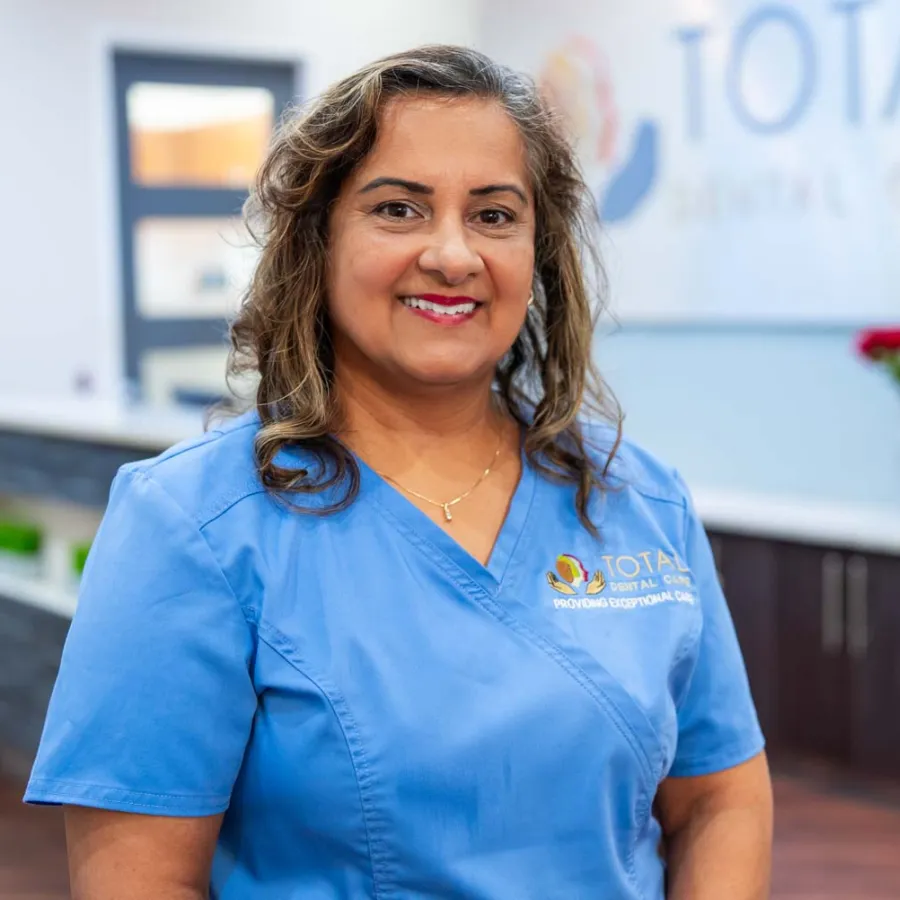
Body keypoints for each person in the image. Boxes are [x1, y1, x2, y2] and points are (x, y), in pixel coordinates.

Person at [25, 45, 773, 899]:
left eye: (494, 215)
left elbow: (721, 799)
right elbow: (142, 883)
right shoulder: (193, 523)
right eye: (399, 209)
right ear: (318, 239)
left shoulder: (637, 500)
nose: (453, 255)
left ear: (538, 252)